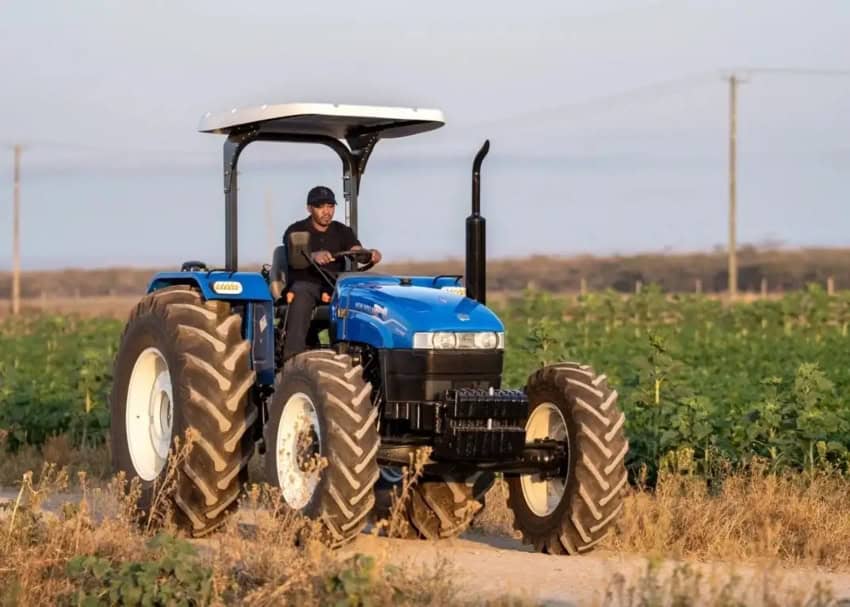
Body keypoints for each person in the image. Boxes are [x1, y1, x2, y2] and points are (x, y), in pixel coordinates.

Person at [281, 185, 382, 360]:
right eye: (320, 207)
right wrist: (313, 256)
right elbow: (294, 254)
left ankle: (355, 355)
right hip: (307, 284)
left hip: (335, 286)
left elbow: (355, 250)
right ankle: (292, 357)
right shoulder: (296, 230)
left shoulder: (342, 231)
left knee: (363, 296)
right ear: (309, 208)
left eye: (330, 206)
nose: (326, 212)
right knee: (301, 293)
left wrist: (369, 254)